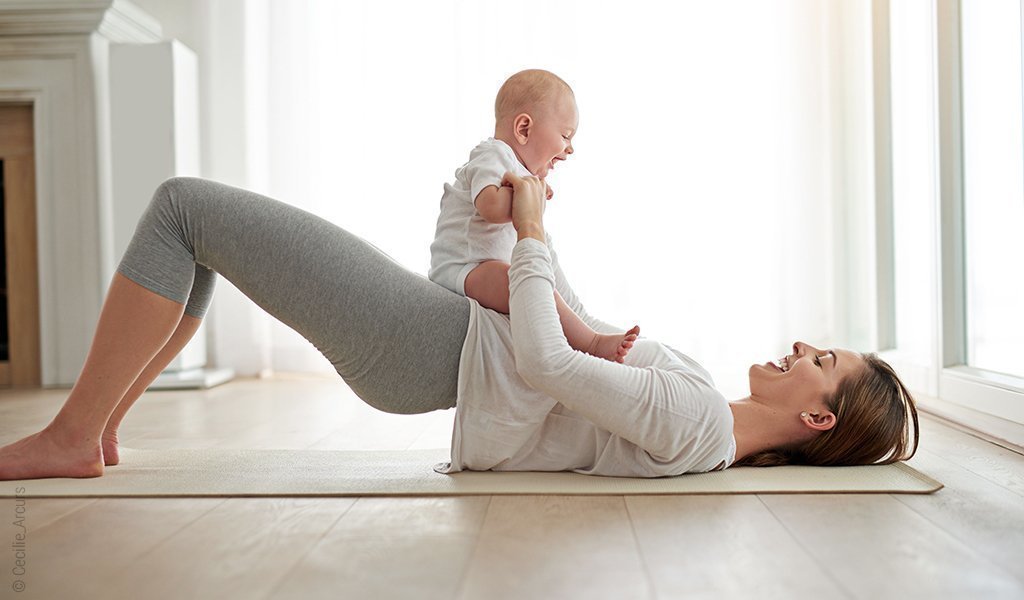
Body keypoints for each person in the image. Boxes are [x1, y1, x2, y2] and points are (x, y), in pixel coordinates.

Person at [0, 171, 918, 481]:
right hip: (442, 341)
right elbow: (569, 349)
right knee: (202, 234)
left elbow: (549, 363)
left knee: (182, 209)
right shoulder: (702, 418)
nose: (801, 348)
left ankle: (76, 434)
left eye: (820, 361)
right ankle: (101, 429)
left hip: (428, 347)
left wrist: (531, 232)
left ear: (818, 420)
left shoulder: (698, 425)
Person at [429, 69, 640, 363]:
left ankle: (584, 337)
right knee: (530, 285)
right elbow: (489, 206)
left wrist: (531, 189)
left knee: (537, 282)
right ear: (524, 129)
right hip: (461, 268)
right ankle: (589, 342)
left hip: (482, 266)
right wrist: (528, 195)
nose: (570, 149)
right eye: (565, 135)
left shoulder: (516, 169)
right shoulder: (493, 154)